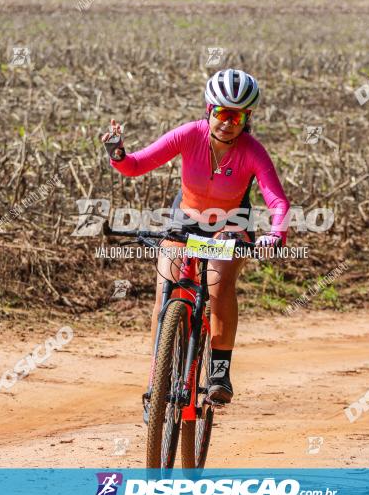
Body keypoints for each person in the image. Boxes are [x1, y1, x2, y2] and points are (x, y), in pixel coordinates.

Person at [101, 69, 291, 405]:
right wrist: (117, 153)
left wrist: (277, 231)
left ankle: (219, 371)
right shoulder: (189, 135)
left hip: (230, 223)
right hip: (184, 218)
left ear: (247, 118)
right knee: (164, 297)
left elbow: (276, 199)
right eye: (222, 113)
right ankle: (157, 379)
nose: (228, 122)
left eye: (237, 116)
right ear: (209, 110)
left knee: (218, 287)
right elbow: (135, 165)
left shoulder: (252, 151)